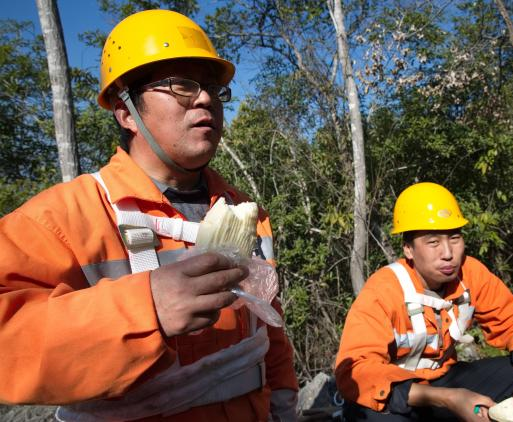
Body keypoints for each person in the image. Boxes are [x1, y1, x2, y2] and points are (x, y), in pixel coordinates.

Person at [0, 9, 298, 422]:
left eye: (212, 87)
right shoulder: (62, 218)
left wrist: (285, 408)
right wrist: (144, 310)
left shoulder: (245, 211)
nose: (206, 98)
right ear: (126, 112)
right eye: (181, 85)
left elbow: (269, 332)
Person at [335, 182, 513, 422]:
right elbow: (355, 371)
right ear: (409, 250)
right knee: (373, 413)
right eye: (433, 242)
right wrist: (448, 398)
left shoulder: (470, 273)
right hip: (401, 396)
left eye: (454, 238)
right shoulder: (383, 291)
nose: (448, 253)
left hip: (445, 380)